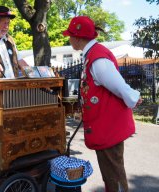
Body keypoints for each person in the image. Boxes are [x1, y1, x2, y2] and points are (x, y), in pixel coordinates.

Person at [62, 16, 142, 192]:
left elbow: (118, 85)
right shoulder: (93, 54)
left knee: (113, 172)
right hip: (106, 124)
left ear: (77, 37)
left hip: (109, 126)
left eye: (70, 35)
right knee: (110, 172)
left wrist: (133, 97)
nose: (69, 39)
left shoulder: (97, 59)